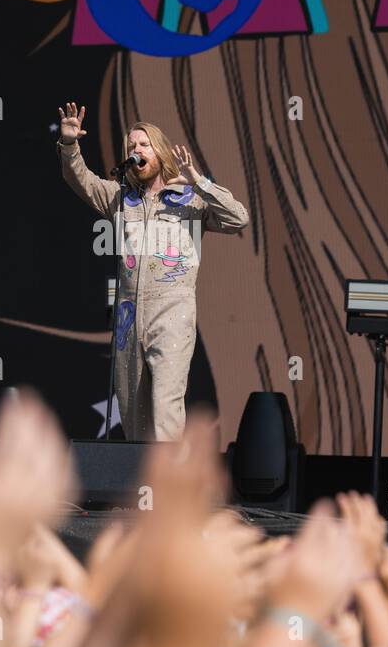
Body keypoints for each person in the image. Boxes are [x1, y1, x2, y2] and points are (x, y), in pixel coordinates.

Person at [54, 102, 249, 441]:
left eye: (143, 145)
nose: (136, 150)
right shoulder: (121, 198)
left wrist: (200, 182)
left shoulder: (190, 198)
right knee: (133, 414)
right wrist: (69, 145)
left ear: (158, 150)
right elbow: (81, 180)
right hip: (129, 315)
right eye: (131, 146)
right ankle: (140, 491)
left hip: (172, 311)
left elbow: (238, 218)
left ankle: (168, 489)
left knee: (165, 405)